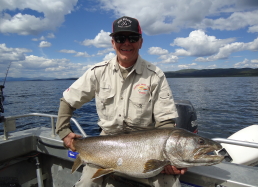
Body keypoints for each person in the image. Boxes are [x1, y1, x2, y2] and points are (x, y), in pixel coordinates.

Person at [56, 16, 187, 187]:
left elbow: (166, 122)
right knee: (86, 184)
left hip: (146, 150)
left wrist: (170, 157)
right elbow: (68, 100)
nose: (126, 43)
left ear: (141, 42)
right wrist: (64, 132)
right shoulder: (98, 72)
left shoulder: (155, 75)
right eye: (120, 38)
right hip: (103, 149)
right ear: (113, 42)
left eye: (132, 38)